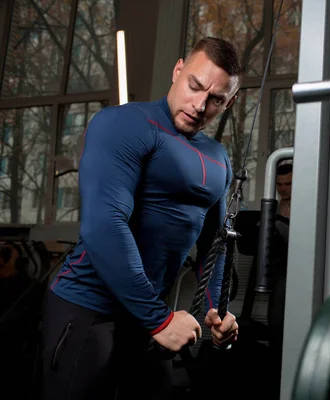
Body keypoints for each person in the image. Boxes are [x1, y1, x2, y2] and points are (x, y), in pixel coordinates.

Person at [40, 37, 244, 400]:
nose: (199, 105)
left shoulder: (218, 158)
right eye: (194, 85)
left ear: (230, 102)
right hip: (89, 308)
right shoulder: (124, 124)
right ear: (178, 70)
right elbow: (104, 226)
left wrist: (217, 309)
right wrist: (161, 320)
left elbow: (216, 246)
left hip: (147, 317)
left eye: (214, 99)